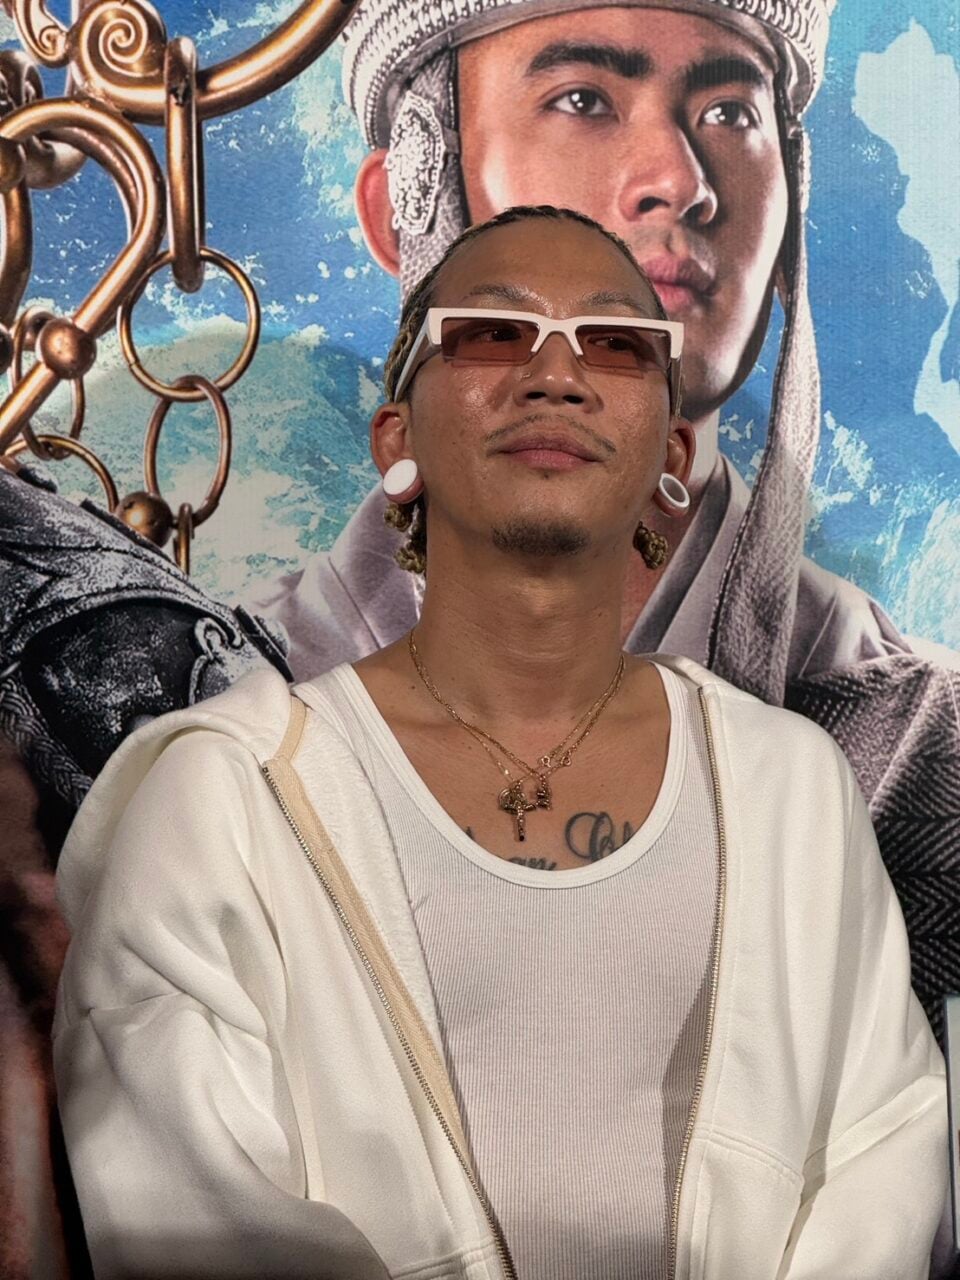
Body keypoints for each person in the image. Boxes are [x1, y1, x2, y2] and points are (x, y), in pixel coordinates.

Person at [54, 207, 945, 1279]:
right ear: (397, 440)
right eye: (492, 332)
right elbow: (193, 1208)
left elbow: (882, 1157)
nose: (555, 375)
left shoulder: (790, 789)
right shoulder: (224, 798)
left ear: (673, 451)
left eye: (614, 342)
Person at [246, 0, 912, 696]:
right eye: (583, 101)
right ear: (400, 209)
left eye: (729, 113)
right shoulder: (235, 698)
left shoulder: (921, 733)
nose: (680, 182)